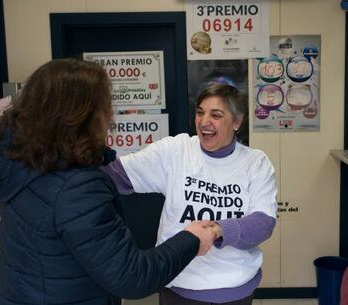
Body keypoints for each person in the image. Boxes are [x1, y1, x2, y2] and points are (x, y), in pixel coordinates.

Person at [0, 58, 218, 305]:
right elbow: (133, 277)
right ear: (81, 115)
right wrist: (190, 239)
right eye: (106, 105)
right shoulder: (76, 189)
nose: (111, 114)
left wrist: (100, 157)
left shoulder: (21, 163)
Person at [104, 82, 278, 305]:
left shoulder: (255, 162)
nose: (204, 122)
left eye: (216, 115)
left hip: (235, 291)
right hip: (179, 287)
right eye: (200, 112)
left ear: (237, 122)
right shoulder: (175, 151)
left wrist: (219, 229)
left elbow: (263, 223)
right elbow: (115, 176)